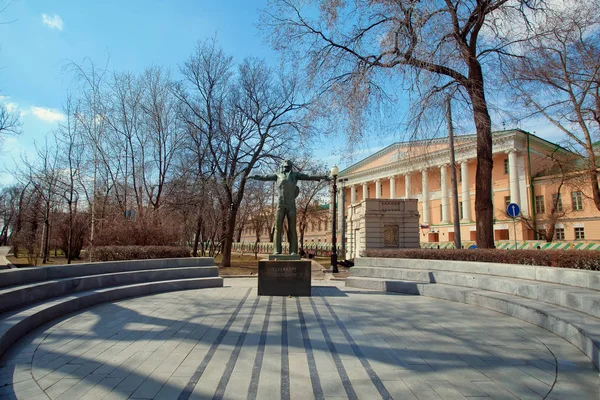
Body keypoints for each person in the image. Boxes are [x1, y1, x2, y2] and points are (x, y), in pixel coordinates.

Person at [250, 160, 329, 254]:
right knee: (278, 227)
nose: (286, 168)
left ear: (291, 166)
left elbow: (308, 176)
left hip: (291, 204)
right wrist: (254, 177)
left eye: (288, 166)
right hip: (280, 204)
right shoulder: (277, 175)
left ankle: (293, 251)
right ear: (282, 166)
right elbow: (265, 177)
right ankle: (276, 250)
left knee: (292, 228)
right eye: (285, 166)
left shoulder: (295, 175)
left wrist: (321, 177)